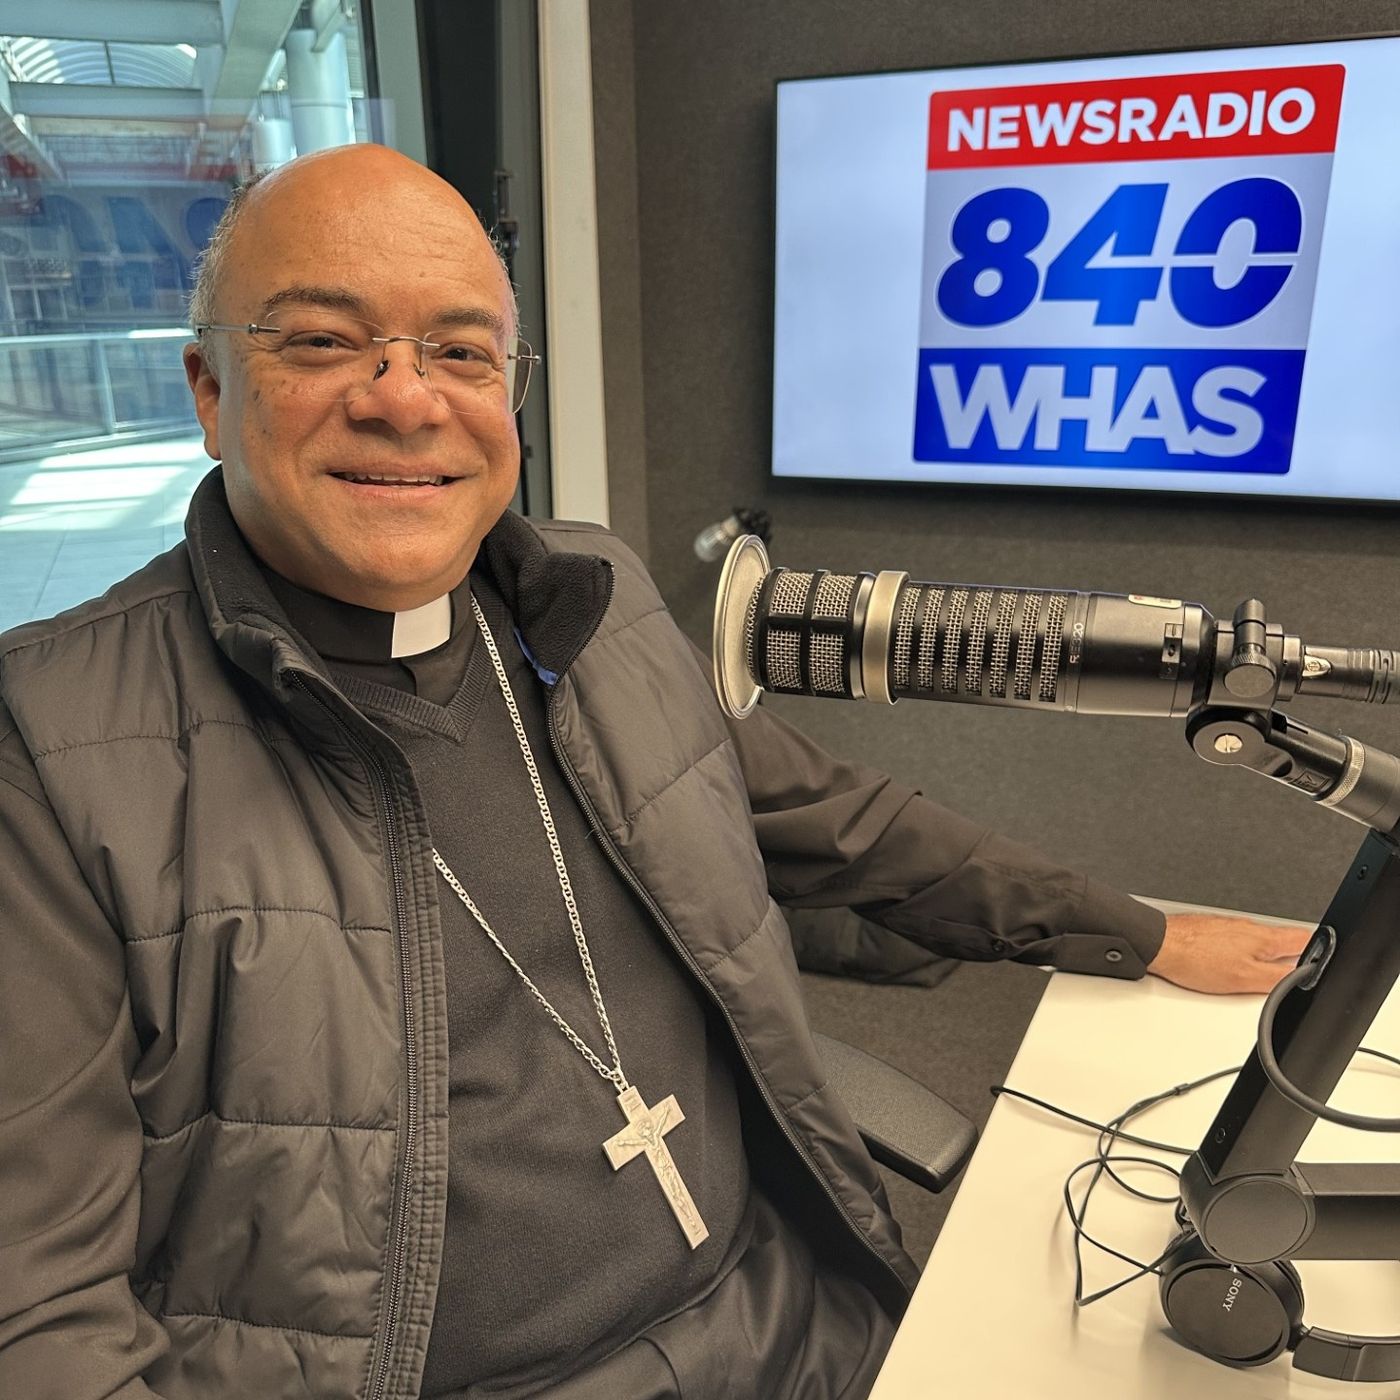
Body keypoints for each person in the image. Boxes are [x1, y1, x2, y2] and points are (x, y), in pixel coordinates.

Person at [0, 145, 1307, 1400]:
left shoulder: (595, 604)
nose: (405, 398)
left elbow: (832, 823)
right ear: (212, 391)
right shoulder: (49, 748)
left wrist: (1134, 930)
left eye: (461, 351)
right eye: (324, 341)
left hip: (786, 1327)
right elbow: (41, 1313)